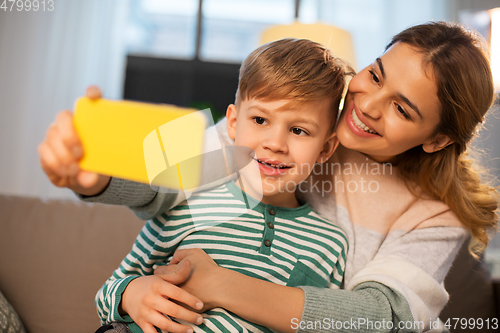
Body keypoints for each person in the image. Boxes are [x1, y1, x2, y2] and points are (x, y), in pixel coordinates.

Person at [39, 21, 499, 333]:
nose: (368, 105)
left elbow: (381, 318)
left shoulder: (435, 216)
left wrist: (220, 284)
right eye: (376, 75)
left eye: (402, 108)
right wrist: (92, 179)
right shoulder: (288, 120)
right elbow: (171, 180)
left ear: (437, 139)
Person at [101, 38, 350, 333]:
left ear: (325, 149)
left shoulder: (330, 244)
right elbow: (108, 294)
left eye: (298, 130)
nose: (275, 144)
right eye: (260, 120)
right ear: (233, 123)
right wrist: (131, 294)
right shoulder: (187, 206)